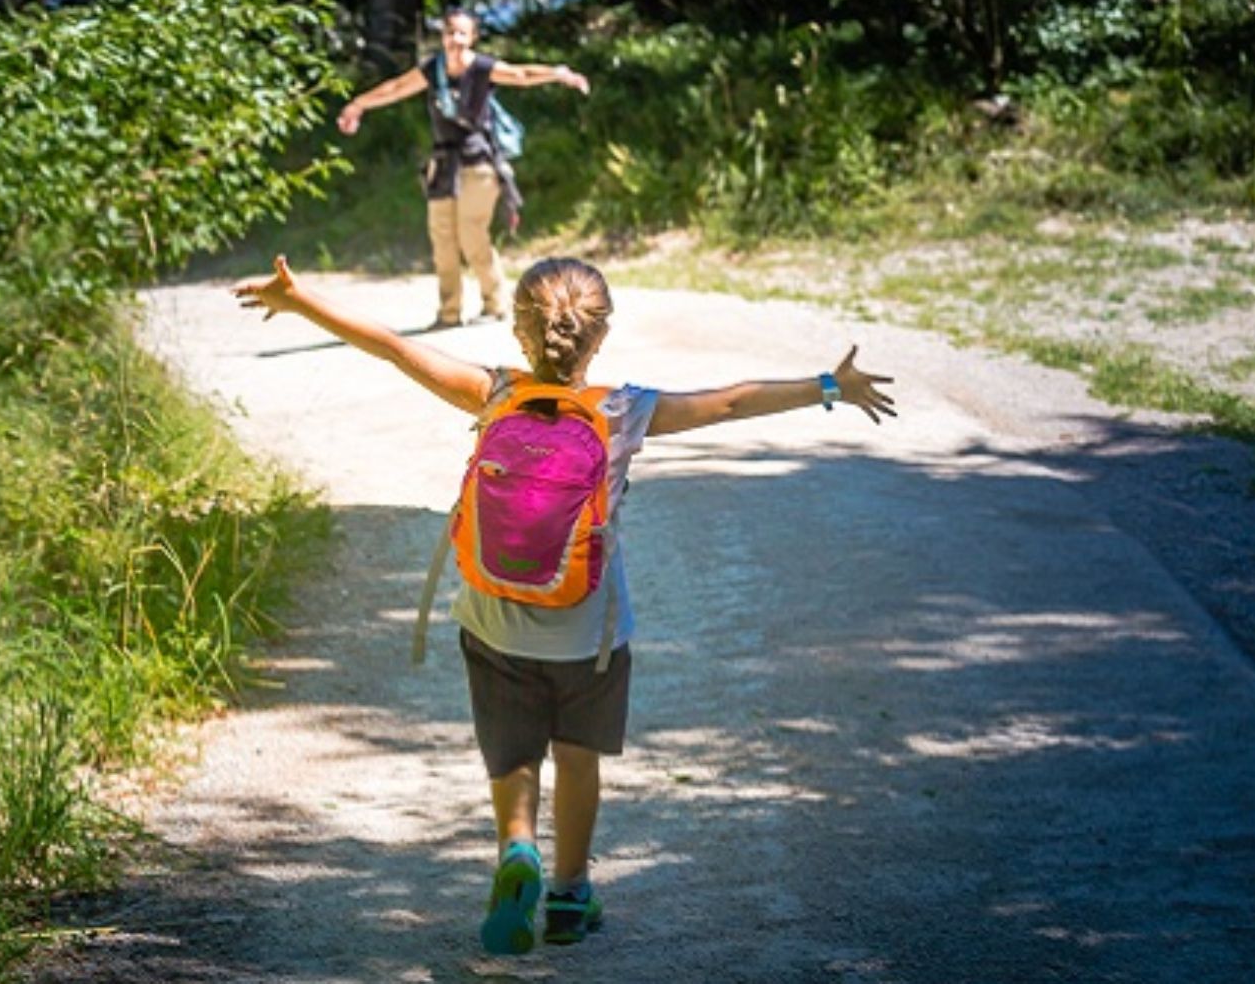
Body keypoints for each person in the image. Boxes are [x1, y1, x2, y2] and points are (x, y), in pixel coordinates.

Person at [230, 255, 897, 954]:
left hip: (493, 622)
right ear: (597, 337)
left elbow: (395, 348)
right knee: (578, 759)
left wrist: (302, 300)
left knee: (513, 755)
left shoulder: (491, 393)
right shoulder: (624, 409)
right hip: (591, 635)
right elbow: (731, 401)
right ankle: (572, 895)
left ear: (523, 332)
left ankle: (519, 852)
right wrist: (829, 384)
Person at [336, 9, 590, 330]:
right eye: (449, 33)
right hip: (442, 165)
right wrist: (357, 104)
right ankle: (449, 312)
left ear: (472, 37)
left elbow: (521, 75)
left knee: (471, 235)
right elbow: (396, 88)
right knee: (442, 240)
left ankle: (495, 303)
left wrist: (557, 73)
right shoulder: (433, 69)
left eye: (461, 33)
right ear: (442, 36)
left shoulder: (482, 68)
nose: (455, 39)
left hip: (479, 164)